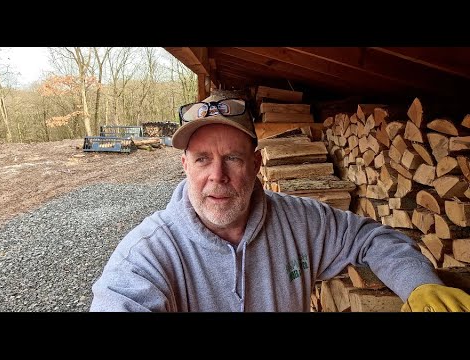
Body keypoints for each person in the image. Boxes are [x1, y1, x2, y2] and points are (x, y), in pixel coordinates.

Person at [90, 91, 470, 312]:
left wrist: (418, 284)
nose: (217, 176)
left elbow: (371, 239)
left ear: (257, 164)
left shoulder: (301, 221)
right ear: (184, 165)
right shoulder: (148, 253)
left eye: (233, 158)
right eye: (203, 159)